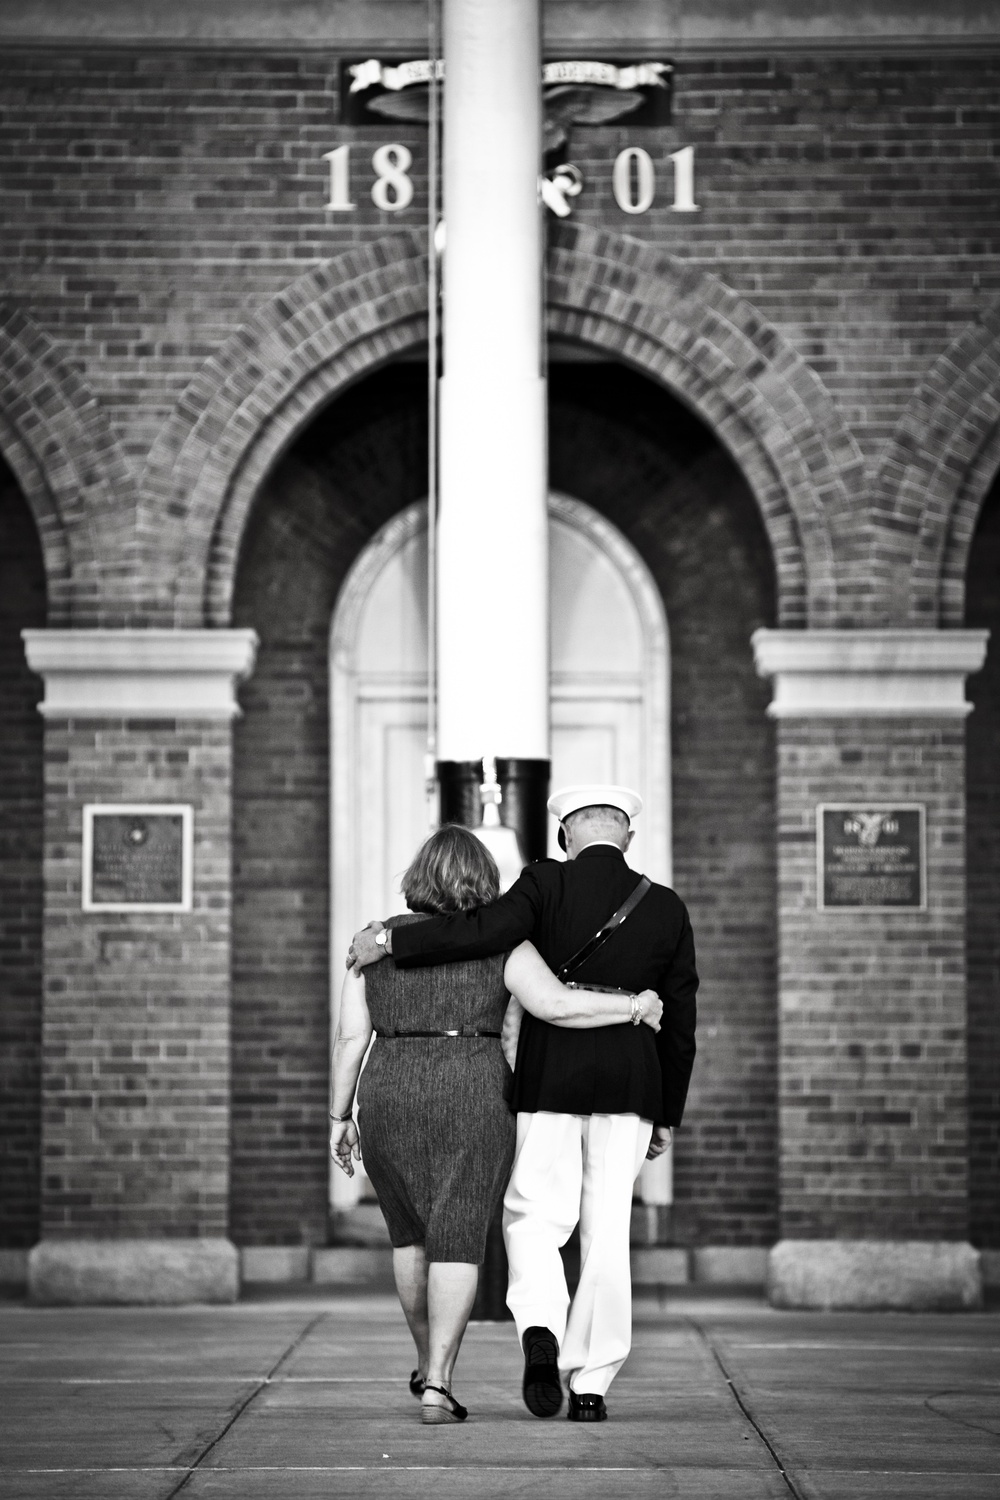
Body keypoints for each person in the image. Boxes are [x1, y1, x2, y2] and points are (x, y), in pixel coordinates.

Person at [348, 785, 698, 1423]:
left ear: (565, 834)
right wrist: (667, 1112)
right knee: (606, 1229)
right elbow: (682, 1024)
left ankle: (541, 1326)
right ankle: (591, 1384)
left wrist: (393, 943)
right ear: (629, 837)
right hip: (631, 1079)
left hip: (552, 1076)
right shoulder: (668, 908)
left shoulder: (543, 885)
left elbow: (480, 930)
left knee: (533, 1214)